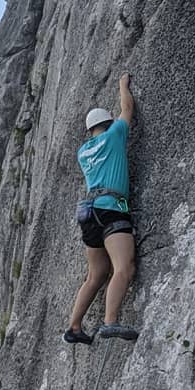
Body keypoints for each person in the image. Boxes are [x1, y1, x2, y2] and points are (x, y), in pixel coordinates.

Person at [64, 72, 138, 343]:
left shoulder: (82, 152)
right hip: (112, 209)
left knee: (96, 274)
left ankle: (73, 327)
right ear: (108, 123)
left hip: (88, 214)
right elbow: (127, 109)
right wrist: (122, 86)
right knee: (123, 268)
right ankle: (110, 322)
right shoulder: (115, 134)